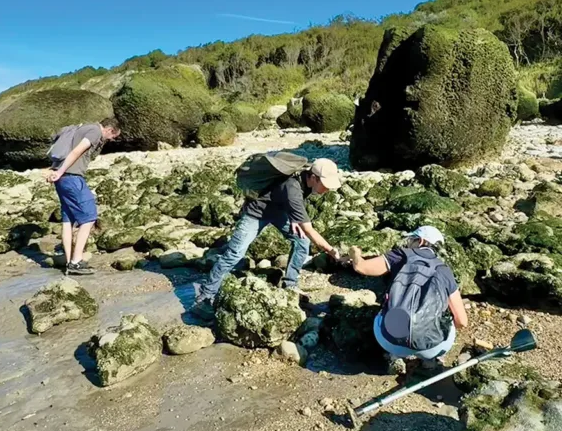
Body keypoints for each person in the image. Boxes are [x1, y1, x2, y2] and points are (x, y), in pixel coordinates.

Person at [191, 158, 344, 320]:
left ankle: (290, 284)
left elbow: (287, 200)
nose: (327, 189)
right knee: (235, 253)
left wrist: (294, 218)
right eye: (326, 185)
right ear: (313, 178)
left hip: (278, 212)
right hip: (255, 213)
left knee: (301, 241)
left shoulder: (305, 180)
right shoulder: (293, 187)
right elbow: (308, 228)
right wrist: (331, 251)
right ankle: (205, 295)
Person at [348, 226, 469, 375]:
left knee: (382, 311)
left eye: (411, 239)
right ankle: (429, 361)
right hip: (431, 346)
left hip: (390, 341)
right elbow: (462, 321)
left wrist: (356, 254)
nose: (408, 242)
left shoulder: (399, 256)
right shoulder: (444, 271)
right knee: (447, 321)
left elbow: (362, 267)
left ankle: (394, 357)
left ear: (421, 241)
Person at [46, 117, 121, 275]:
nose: (112, 140)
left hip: (63, 179)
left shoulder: (80, 128)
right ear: (109, 130)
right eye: (113, 137)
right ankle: (76, 262)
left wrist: (56, 171)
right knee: (89, 217)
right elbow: (76, 151)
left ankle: (69, 262)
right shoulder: (94, 131)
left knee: (68, 219)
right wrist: (59, 172)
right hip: (72, 177)